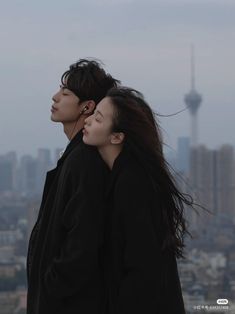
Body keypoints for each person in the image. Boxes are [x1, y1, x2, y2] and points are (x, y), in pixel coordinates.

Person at [83, 87, 194, 314]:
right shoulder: (126, 175)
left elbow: (142, 266)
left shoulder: (132, 183)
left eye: (98, 118)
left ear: (117, 136)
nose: (88, 120)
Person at [26, 59, 120, 314]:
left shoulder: (84, 161)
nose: (55, 97)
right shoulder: (76, 157)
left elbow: (81, 245)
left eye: (66, 93)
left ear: (87, 106)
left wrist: (49, 291)